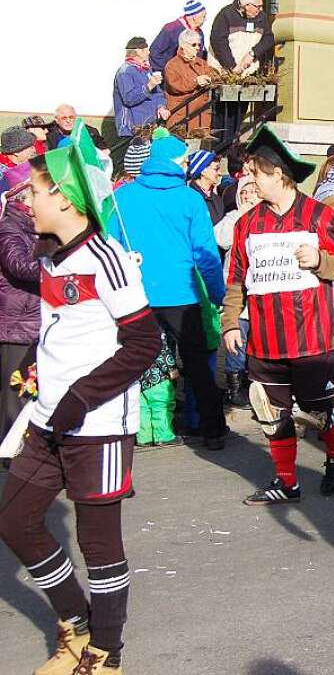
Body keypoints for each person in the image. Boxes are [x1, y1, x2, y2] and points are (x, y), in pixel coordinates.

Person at [0, 138, 161, 675]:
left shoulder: (107, 257)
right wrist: (36, 377)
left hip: (99, 424)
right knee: (15, 521)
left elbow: (145, 344)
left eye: (37, 191)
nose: (27, 199)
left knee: (98, 544)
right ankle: (77, 623)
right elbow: (61, 334)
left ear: (67, 199)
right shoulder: (52, 257)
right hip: (48, 418)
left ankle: (105, 654)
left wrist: (79, 398)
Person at [221, 126, 334, 505]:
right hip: (264, 341)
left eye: (256, 174)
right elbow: (236, 279)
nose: (250, 181)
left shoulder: (320, 216)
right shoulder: (247, 223)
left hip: (311, 338)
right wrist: (231, 322)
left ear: (278, 174)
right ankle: (286, 482)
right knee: (270, 414)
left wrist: (319, 261)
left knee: (320, 413)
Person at [106, 134, 227, 450]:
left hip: (136, 295)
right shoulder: (189, 199)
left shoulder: (123, 197)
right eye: (185, 160)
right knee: (197, 364)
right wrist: (216, 293)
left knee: (134, 362)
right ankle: (211, 430)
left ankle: (130, 428)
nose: (188, 165)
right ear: (175, 162)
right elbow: (206, 253)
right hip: (182, 295)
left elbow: (110, 247)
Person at [0, 163, 39, 446]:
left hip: (30, 319)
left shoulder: (32, 227)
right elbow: (20, 266)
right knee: (15, 387)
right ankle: (10, 448)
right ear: (22, 197)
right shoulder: (10, 228)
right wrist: (55, 262)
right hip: (16, 322)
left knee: (26, 384)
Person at [215, 175, 260, 409]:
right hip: (236, 286)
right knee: (237, 337)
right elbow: (220, 239)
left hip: (260, 286)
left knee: (257, 340)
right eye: (244, 192)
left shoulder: (266, 216)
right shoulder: (233, 217)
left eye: (252, 191)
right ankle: (234, 387)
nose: (248, 196)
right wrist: (241, 215)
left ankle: (254, 384)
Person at [113, 37, 169, 139]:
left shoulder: (146, 69)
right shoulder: (125, 72)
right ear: (139, 51)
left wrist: (161, 107)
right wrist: (148, 86)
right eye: (147, 49)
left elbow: (158, 93)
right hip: (132, 129)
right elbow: (129, 99)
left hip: (149, 125)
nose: (149, 52)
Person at [209, 0, 275, 76]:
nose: (261, 9)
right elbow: (218, 41)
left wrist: (253, 53)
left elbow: (268, 39)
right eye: (258, 6)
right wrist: (231, 67)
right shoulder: (226, 14)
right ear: (247, 6)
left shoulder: (261, 17)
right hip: (223, 71)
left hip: (249, 72)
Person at [164, 30, 216, 133]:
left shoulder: (202, 64)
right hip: (181, 116)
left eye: (199, 45)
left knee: (201, 146)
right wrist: (196, 81)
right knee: (178, 146)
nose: (197, 47)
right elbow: (175, 86)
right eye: (194, 44)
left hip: (201, 116)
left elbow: (213, 76)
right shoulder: (172, 65)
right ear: (183, 45)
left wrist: (211, 79)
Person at [150, 0, 208, 74]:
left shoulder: (199, 33)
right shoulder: (171, 28)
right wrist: (168, 70)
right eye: (203, 16)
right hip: (171, 77)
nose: (205, 19)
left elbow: (199, 56)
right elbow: (154, 52)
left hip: (190, 77)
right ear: (194, 17)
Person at [185, 150, 226, 226]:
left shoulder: (218, 200)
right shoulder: (187, 197)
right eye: (216, 169)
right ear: (203, 171)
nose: (220, 173)